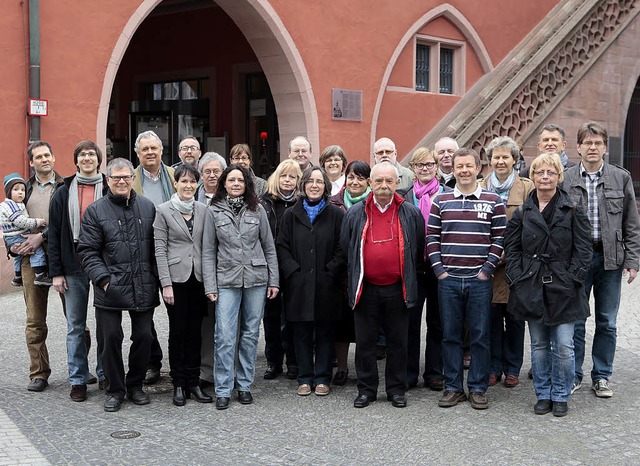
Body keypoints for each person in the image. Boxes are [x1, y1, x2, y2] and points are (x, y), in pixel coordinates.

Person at [505, 152, 591, 416]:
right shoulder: (523, 211)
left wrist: (573, 277)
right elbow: (511, 247)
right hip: (531, 285)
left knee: (564, 345)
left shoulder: (573, 207)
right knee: (540, 345)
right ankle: (543, 393)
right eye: (540, 172)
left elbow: (584, 249)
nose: (545, 177)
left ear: (558, 176)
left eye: (550, 172)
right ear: (533, 176)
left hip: (564, 287)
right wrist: (517, 277)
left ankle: (561, 394)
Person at [563, 122, 640, 398]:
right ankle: (574, 374)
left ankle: (602, 375)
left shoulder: (621, 178)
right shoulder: (567, 178)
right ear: (579, 146)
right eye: (587, 143)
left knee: (607, 320)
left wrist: (633, 260)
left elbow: (632, 223)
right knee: (577, 320)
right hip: (578, 260)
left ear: (605, 147)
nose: (592, 148)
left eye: (597, 143)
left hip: (611, 260)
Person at [78, 158, 160, 413]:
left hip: (143, 284)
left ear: (132, 179)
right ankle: (115, 389)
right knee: (111, 338)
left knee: (144, 337)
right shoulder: (95, 210)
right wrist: (103, 280)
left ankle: (135, 385)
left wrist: (157, 278)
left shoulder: (148, 207)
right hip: (110, 287)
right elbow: (87, 251)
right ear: (108, 180)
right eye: (117, 178)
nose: (122, 182)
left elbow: (157, 248)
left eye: (126, 177)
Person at [341, 162, 425, 409]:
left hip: (397, 289)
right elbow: (347, 247)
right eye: (378, 181)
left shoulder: (410, 213)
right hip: (366, 289)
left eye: (389, 181)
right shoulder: (356, 213)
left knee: (398, 342)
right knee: (365, 343)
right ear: (370, 183)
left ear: (397, 183)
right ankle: (366, 390)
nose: (384, 186)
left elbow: (417, 248)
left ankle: (396, 389)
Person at [427, 148, 506, 410]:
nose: (463, 170)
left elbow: (499, 240)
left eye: (468, 166)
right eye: (459, 166)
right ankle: (452, 387)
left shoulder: (494, 201)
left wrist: (486, 271)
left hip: (479, 280)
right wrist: (440, 271)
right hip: (449, 280)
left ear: (477, 168)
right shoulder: (441, 200)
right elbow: (432, 239)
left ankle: (477, 388)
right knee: (450, 336)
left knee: (480, 336)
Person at [202, 165, 279, 410]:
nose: (236, 184)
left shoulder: (258, 209)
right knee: (224, 334)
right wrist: (210, 285)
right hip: (226, 279)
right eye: (231, 180)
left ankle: (244, 385)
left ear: (247, 184)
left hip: (256, 278)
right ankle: (223, 388)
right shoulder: (212, 210)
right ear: (223, 183)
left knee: (250, 334)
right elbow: (207, 251)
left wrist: (274, 279)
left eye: (240, 180)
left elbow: (269, 246)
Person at [48, 141, 109, 402]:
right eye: (82, 155)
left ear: (98, 160)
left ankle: (105, 373)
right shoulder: (63, 191)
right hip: (72, 264)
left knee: (107, 323)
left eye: (91, 154)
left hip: (104, 262)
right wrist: (56, 272)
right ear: (76, 160)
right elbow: (54, 233)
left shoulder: (109, 187)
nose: (87, 158)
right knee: (75, 325)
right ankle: (78, 379)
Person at [277, 167, 344, 396]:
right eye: (310, 181)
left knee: (325, 331)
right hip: (299, 283)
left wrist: (330, 271)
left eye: (319, 181)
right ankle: (304, 377)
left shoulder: (336, 214)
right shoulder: (291, 215)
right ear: (303, 185)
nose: (314, 185)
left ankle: (323, 377)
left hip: (327, 283)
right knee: (301, 331)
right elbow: (282, 246)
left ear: (326, 186)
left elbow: (341, 248)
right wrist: (292, 272)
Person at [7, 141, 63, 392]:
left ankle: (81, 370)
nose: (44, 159)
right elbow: (10, 222)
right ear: (31, 162)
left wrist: (43, 235)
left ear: (54, 157)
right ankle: (39, 373)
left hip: (63, 256)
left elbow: (70, 222)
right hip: (31, 259)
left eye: (47, 155)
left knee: (76, 319)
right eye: (38, 157)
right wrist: (12, 247)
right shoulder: (23, 189)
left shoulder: (66, 185)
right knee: (34, 320)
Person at [154, 164, 212, 406]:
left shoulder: (203, 210)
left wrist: (210, 284)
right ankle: (178, 383)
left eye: (192, 182)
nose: (188, 186)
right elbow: (159, 249)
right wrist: (165, 284)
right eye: (183, 181)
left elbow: (208, 248)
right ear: (175, 184)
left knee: (196, 332)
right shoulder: (163, 211)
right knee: (178, 331)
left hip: (197, 279)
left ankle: (194, 381)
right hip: (175, 280)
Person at [480, 136, 534, 388]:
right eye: (496, 157)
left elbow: (533, 226)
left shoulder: (527, 187)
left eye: (505, 157)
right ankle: (493, 367)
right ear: (489, 161)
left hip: (515, 266)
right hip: (486, 266)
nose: (500, 161)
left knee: (514, 320)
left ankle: (513, 367)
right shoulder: (479, 187)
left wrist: (510, 252)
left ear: (515, 160)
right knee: (489, 319)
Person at [399, 147, 450, 391]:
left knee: (438, 322)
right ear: (413, 169)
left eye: (429, 164)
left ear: (437, 165)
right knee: (410, 321)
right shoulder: (405, 196)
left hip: (440, 266)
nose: (425, 169)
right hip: (413, 266)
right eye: (420, 165)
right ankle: (409, 372)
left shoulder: (448, 195)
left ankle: (434, 372)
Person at [132, 130, 175, 385]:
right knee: (144, 314)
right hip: (143, 255)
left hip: (172, 254)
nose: (150, 152)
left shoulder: (174, 176)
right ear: (137, 154)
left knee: (177, 313)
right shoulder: (130, 179)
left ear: (161, 151)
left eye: (154, 148)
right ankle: (152, 362)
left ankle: (180, 362)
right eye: (145, 149)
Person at [260, 159, 303, 380]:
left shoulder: (302, 203)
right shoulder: (264, 202)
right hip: (270, 267)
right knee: (271, 317)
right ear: (277, 177)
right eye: (284, 176)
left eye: (292, 177)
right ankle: (273, 361)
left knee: (293, 316)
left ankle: (293, 361)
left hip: (294, 267)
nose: (287, 180)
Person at [329, 160, 371, 386]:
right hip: (341, 274)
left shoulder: (375, 203)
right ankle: (342, 368)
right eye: (351, 177)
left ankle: (364, 369)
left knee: (365, 325)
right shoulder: (334, 204)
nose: (355, 182)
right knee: (342, 325)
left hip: (368, 274)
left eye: (360, 178)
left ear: (368, 182)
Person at [195, 151, 226, 389]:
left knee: (225, 323)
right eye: (208, 171)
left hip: (226, 270)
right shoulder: (190, 195)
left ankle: (226, 370)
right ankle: (206, 370)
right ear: (200, 174)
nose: (213, 175)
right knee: (205, 323)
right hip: (197, 271)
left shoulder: (232, 196)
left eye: (217, 171)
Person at [1, 174, 49, 287]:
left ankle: (17, 276)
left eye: (23, 189)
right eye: (16, 189)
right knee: (36, 250)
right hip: (18, 235)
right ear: (8, 191)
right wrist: (37, 222)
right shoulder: (11, 205)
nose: (20, 192)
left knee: (19, 255)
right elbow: (20, 221)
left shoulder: (13, 204)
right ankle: (40, 274)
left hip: (12, 236)